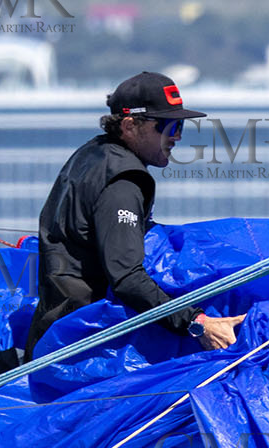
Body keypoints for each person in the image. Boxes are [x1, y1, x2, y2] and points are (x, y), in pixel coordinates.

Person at [25, 71, 243, 356]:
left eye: (180, 126)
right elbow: (127, 278)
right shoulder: (123, 182)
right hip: (82, 342)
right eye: (167, 126)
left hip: (57, 327)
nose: (176, 137)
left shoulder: (93, 153)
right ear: (130, 126)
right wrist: (196, 323)